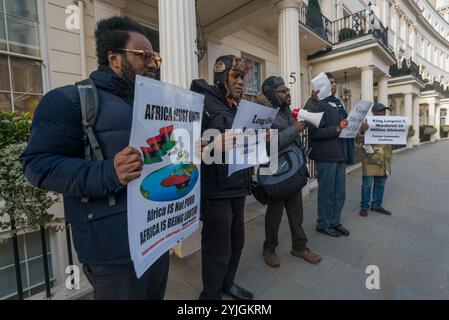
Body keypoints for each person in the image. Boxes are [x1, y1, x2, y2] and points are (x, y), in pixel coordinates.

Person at [20, 16, 169, 300]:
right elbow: (36, 165)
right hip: (113, 251)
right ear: (114, 58)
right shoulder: (68, 100)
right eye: (144, 56)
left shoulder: (152, 103)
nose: (152, 64)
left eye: (155, 58)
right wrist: (108, 173)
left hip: (155, 236)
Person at [190, 55, 254, 300]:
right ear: (221, 76)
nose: (241, 82)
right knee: (218, 248)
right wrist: (215, 145)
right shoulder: (202, 103)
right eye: (236, 77)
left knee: (237, 242)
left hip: (238, 185)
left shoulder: (236, 106)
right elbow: (188, 148)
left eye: (243, 77)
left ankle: (228, 284)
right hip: (215, 190)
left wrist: (260, 140)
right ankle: (211, 296)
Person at [255, 76, 321, 268]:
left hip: (293, 172)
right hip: (276, 175)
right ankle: (269, 248)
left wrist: (311, 101)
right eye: (282, 91)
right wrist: (294, 130)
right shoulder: (263, 115)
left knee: (296, 213)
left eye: (287, 90)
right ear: (271, 94)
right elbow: (266, 146)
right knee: (274, 216)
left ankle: (299, 247)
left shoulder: (285, 111)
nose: (287, 93)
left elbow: (302, 121)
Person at [305, 73, 352, 238]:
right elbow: (313, 132)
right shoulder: (318, 105)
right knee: (327, 192)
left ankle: (335, 222)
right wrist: (337, 129)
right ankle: (323, 223)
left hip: (340, 154)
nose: (334, 85)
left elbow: (347, 127)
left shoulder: (338, 104)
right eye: (331, 82)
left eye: (334, 82)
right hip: (326, 156)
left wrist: (357, 126)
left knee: (340, 192)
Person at [358, 103, 393, 217]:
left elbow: (397, 138)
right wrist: (362, 132)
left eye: (384, 111)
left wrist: (404, 131)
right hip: (370, 160)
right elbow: (358, 142)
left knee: (381, 184)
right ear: (374, 113)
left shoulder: (389, 124)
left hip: (384, 160)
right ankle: (364, 207)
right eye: (380, 111)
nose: (383, 113)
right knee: (367, 185)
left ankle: (377, 205)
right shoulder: (366, 124)